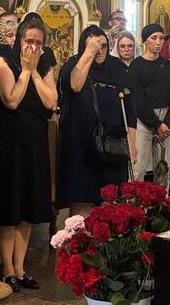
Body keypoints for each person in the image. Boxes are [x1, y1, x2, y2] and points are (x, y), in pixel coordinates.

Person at [0, 18, 57, 292]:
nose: (33, 47)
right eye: (29, 41)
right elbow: (12, 99)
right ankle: (7, 268)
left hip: (35, 141)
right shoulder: (4, 60)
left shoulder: (44, 62)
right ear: (19, 40)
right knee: (11, 206)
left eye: (38, 43)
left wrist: (35, 72)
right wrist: (25, 72)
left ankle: (20, 267)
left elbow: (51, 101)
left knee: (29, 206)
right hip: (10, 141)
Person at [57, 25, 134, 217]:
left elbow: (130, 109)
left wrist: (132, 144)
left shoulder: (118, 68)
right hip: (80, 145)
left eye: (103, 46)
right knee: (82, 199)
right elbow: (75, 85)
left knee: (112, 201)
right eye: (92, 46)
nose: (99, 51)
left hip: (112, 145)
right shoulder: (72, 66)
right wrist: (88, 54)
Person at [129, 24, 170, 187]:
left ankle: (161, 201)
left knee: (163, 169)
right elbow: (138, 99)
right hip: (144, 120)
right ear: (145, 41)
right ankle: (135, 202)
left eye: (161, 38)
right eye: (154, 38)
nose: (158, 42)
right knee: (138, 167)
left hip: (166, 120)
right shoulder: (136, 66)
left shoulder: (169, 66)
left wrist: (167, 123)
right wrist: (156, 124)